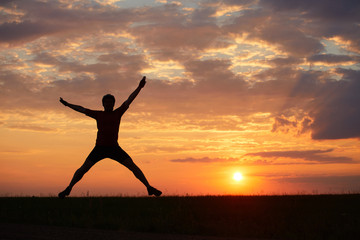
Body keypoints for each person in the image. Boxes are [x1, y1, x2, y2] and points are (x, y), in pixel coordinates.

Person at [58, 76, 162, 198]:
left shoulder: (118, 113)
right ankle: (68, 189)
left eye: (110, 102)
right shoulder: (98, 114)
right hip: (99, 148)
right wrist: (67, 104)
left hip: (114, 148)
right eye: (106, 102)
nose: (108, 104)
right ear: (103, 104)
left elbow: (130, 99)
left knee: (133, 166)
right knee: (83, 169)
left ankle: (149, 188)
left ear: (113, 104)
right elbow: (81, 109)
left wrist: (140, 87)